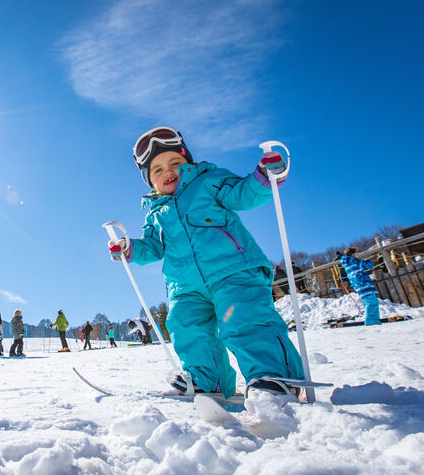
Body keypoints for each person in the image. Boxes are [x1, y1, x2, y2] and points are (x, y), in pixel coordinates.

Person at [108, 127, 304, 398]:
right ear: (149, 181)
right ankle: (206, 380)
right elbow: (152, 247)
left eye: (175, 163)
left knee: (245, 321)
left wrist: (263, 178)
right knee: (188, 328)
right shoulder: (155, 213)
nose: (168, 172)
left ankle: (273, 376)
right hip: (185, 285)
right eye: (157, 170)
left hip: (232, 271)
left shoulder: (208, 181)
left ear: (188, 162)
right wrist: (128, 249)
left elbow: (241, 194)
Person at [340, 247, 381, 325]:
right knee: (371, 301)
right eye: (356, 254)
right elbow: (370, 265)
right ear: (353, 254)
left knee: (372, 301)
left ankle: (374, 320)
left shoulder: (347, 263)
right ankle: (371, 321)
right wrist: (370, 261)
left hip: (358, 285)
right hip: (364, 283)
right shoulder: (353, 261)